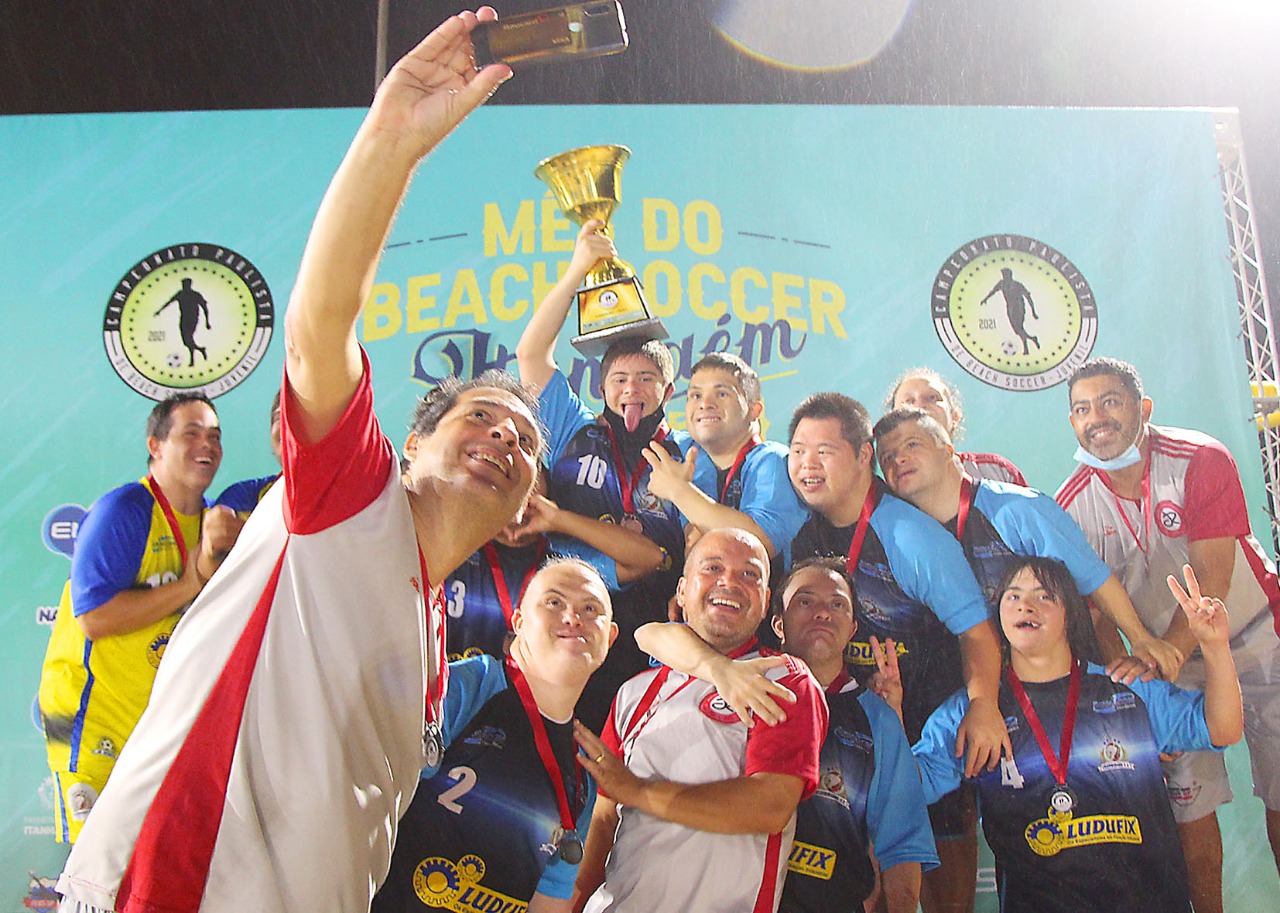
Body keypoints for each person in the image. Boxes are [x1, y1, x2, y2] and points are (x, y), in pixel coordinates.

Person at [55, 10, 541, 912]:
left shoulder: (433, 622)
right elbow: (323, 324)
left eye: (524, 442)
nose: (506, 440)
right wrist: (393, 138)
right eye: (480, 416)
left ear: (522, 513)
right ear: (413, 445)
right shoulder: (353, 498)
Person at [1055, 356, 1280, 911]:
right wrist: (1135, 690)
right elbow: (1098, 618)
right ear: (1072, 424)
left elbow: (1213, 577)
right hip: (1166, 665)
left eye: (1110, 401)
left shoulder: (1199, 458)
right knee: (1189, 808)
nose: (1096, 418)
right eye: (1081, 409)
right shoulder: (1069, 505)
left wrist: (1170, 654)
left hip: (1254, 638)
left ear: (1143, 408)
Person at [912, 557, 1244, 913]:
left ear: (1070, 614)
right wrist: (888, 715)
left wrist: (1214, 646)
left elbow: (1222, 728)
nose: (1026, 605)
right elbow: (906, 790)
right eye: (1013, 596)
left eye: (1044, 596)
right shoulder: (976, 713)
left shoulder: (1126, 689)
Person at [787, 391, 1007, 913]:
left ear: (865, 455)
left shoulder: (910, 536)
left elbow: (977, 633)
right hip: (851, 738)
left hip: (932, 738)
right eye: (797, 450)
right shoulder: (803, 536)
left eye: (824, 450)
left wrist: (981, 706)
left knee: (940, 896)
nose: (807, 465)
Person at [635, 556, 939, 913]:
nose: (823, 613)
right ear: (777, 622)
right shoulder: (736, 680)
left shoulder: (878, 719)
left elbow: (901, 845)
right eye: (805, 601)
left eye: (837, 604)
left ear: (853, 626)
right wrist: (718, 667)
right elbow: (649, 635)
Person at [570, 529, 829, 913]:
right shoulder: (634, 693)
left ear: (765, 603)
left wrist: (639, 791)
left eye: (750, 575)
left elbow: (770, 806)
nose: (729, 581)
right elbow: (605, 818)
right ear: (682, 590)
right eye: (713, 567)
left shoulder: (784, 679)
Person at [37, 392, 241, 843]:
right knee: (95, 879)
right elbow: (93, 617)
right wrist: (190, 584)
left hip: (153, 732)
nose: (206, 444)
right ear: (155, 445)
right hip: (95, 726)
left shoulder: (211, 522)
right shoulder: (125, 510)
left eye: (214, 436)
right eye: (191, 433)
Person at [516, 221, 686, 728]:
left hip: (646, 638)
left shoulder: (684, 456)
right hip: (567, 622)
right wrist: (576, 273)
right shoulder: (573, 425)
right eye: (619, 379)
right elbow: (531, 355)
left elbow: (658, 560)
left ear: (668, 390)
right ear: (600, 384)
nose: (631, 390)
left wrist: (562, 518)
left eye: (646, 379)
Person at [373, 559, 618, 913]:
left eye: (590, 608)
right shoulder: (461, 690)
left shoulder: (581, 778)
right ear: (518, 622)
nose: (572, 616)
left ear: (609, 637)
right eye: (554, 602)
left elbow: (549, 904)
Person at [873, 406, 1182, 679]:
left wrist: (1140, 638)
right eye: (887, 457)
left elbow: (1093, 578)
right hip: (986, 695)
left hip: (1066, 684)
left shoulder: (1017, 509)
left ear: (947, 450)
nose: (899, 459)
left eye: (912, 445)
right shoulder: (903, 539)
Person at [445, 472, 663, 660]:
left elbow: (649, 558)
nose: (522, 490)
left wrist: (560, 519)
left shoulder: (565, 559)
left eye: (532, 482)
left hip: (543, 701)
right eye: (510, 478)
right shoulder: (457, 548)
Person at [645, 352, 808, 566]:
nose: (705, 404)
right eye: (695, 396)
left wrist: (679, 491)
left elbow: (756, 544)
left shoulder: (774, 460)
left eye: (721, 394)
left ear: (754, 410)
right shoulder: (687, 452)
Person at [885, 367, 1026, 485]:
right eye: (908, 401)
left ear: (955, 416)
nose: (920, 406)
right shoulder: (891, 491)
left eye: (932, 397)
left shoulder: (997, 473)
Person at [214, 390, 283, 516]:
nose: (288, 425)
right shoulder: (243, 498)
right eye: (279, 417)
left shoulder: (330, 499)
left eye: (300, 417)